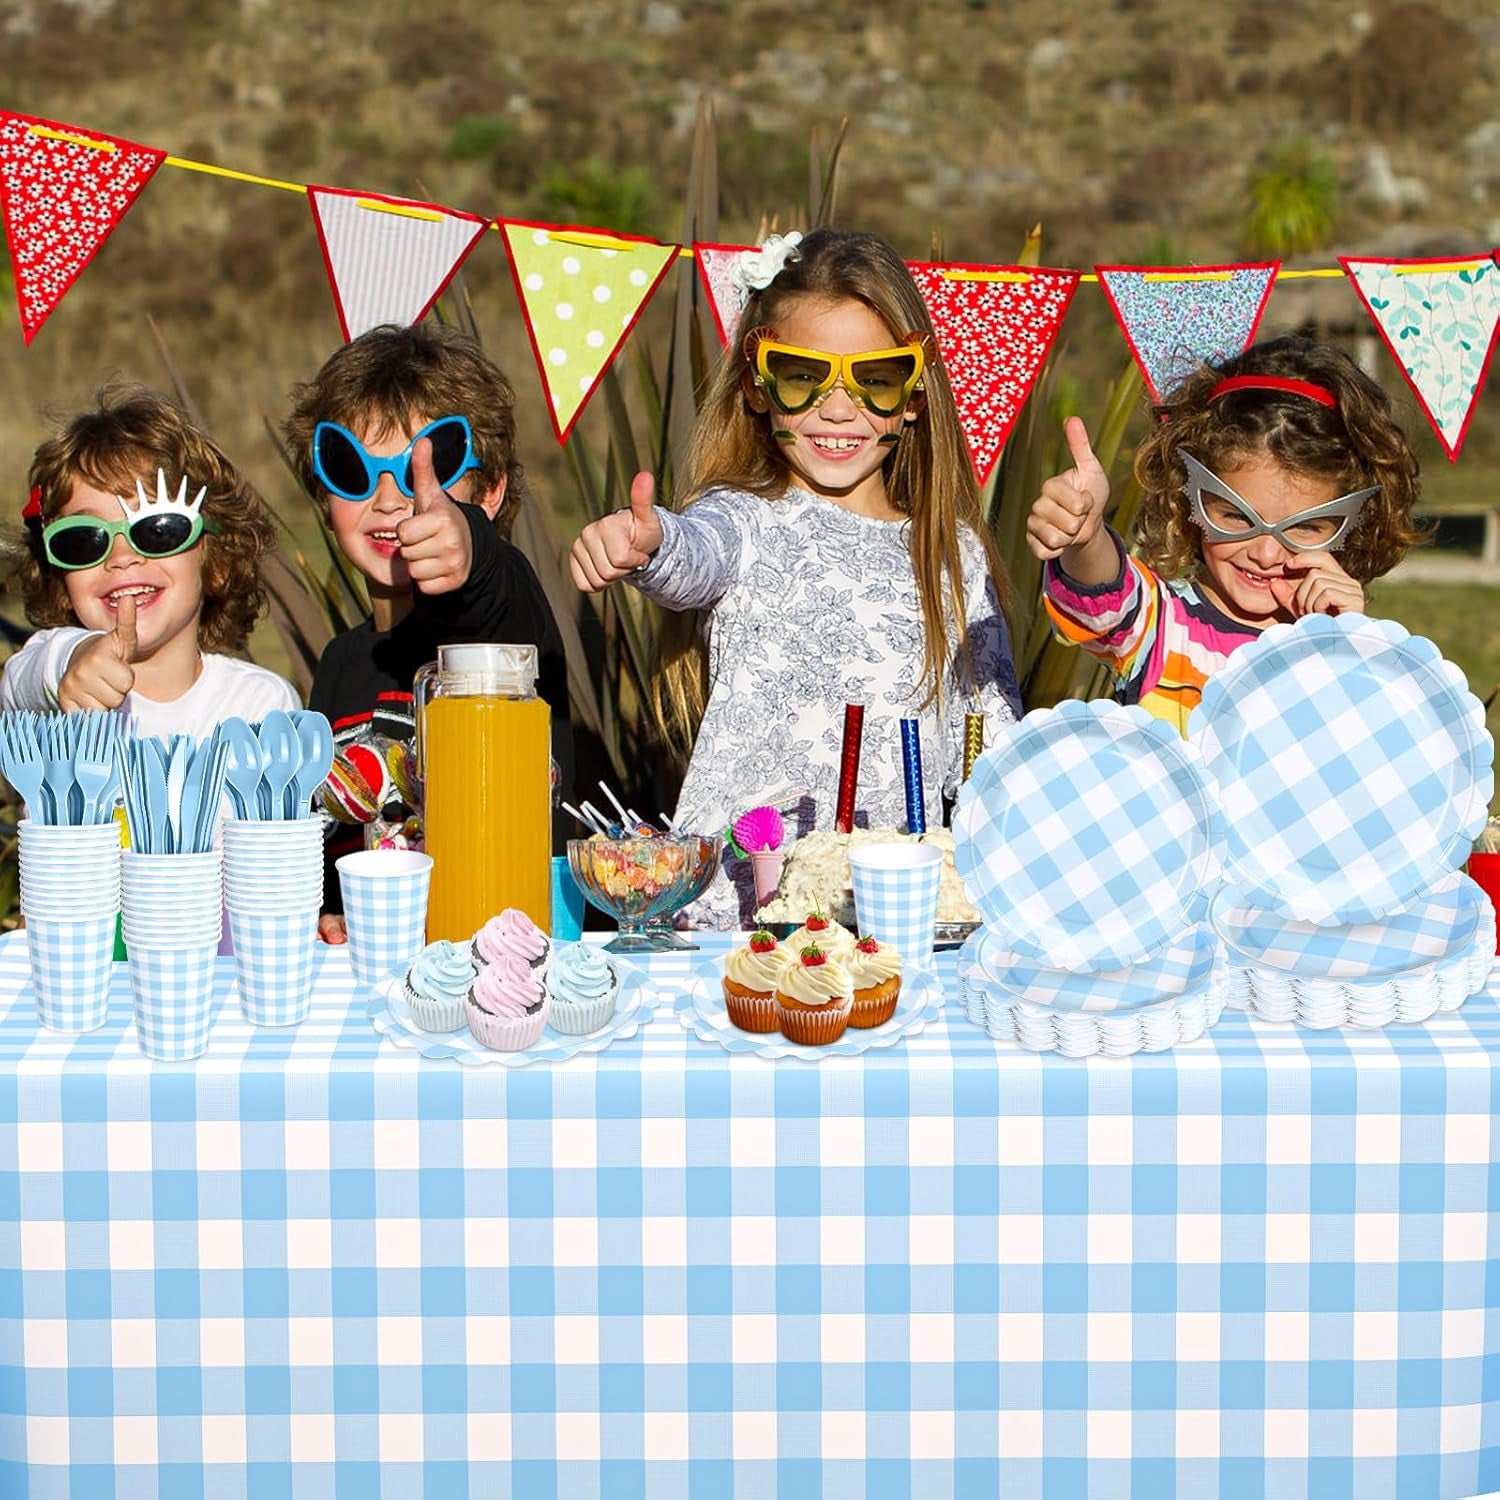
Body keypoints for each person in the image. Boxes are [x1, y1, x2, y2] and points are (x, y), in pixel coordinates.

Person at [570, 227, 1022, 928]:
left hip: (903, 917)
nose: (837, 407)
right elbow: (694, 556)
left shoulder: (953, 555)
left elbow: (995, 743)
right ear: (757, 385)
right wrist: (648, 543)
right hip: (742, 921)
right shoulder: (744, 521)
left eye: (874, 378)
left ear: (912, 393)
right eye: (802, 375)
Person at [281, 321, 572, 944]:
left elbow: (498, 588)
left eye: (428, 466)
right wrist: (329, 914)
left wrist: (469, 545)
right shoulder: (337, 662)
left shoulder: (502, 628)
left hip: (506, 962)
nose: (389, 498)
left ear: (489, 493)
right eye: (351, 469)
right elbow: (334, 840)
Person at [1027, 336, 1427, 733]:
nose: (1267, 553)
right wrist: (1087, 536)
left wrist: (1350, 647)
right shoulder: (1157, 623)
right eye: (1237, 517)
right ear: (1188, 498)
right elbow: (1103, 593)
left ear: (1352, 524)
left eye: (1305, 527)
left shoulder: (1338, 642)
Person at [1, 385, 299, 735]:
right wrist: (73, 660)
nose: (122, 557)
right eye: (83, 540)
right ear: (61, 580)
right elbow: (20, 682)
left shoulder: (259, 705)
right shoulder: (54, 686)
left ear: (217, 561)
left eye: (158, 531)